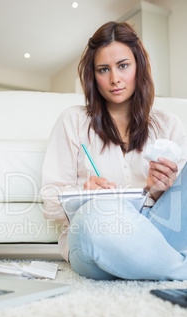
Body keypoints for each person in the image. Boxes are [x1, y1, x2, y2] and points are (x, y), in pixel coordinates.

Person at [41, 21, 187, 281]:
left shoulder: (169, 125)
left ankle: (153, 264)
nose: (114, 79)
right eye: (103, 69)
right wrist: (85, 197)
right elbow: (52, 200)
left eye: (123, 66)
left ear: (138, 66)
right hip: (97, 234)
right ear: (92, 75)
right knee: (96, 216)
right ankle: (176, 267)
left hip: (158, 230)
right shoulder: (72, 121)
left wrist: (157, 189)